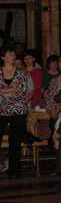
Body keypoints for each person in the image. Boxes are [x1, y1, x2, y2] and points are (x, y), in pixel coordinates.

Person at [0, 45, 28, 178]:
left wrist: (3, 92)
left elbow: (22, 92)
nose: (13, 56)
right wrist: (12, 90)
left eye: (13, 54)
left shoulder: (21, 73)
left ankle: (14, 170)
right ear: (3, 57)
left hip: (18, 111)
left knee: (15, 142)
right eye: (10, 54)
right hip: (1, 111)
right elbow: (15, 91)